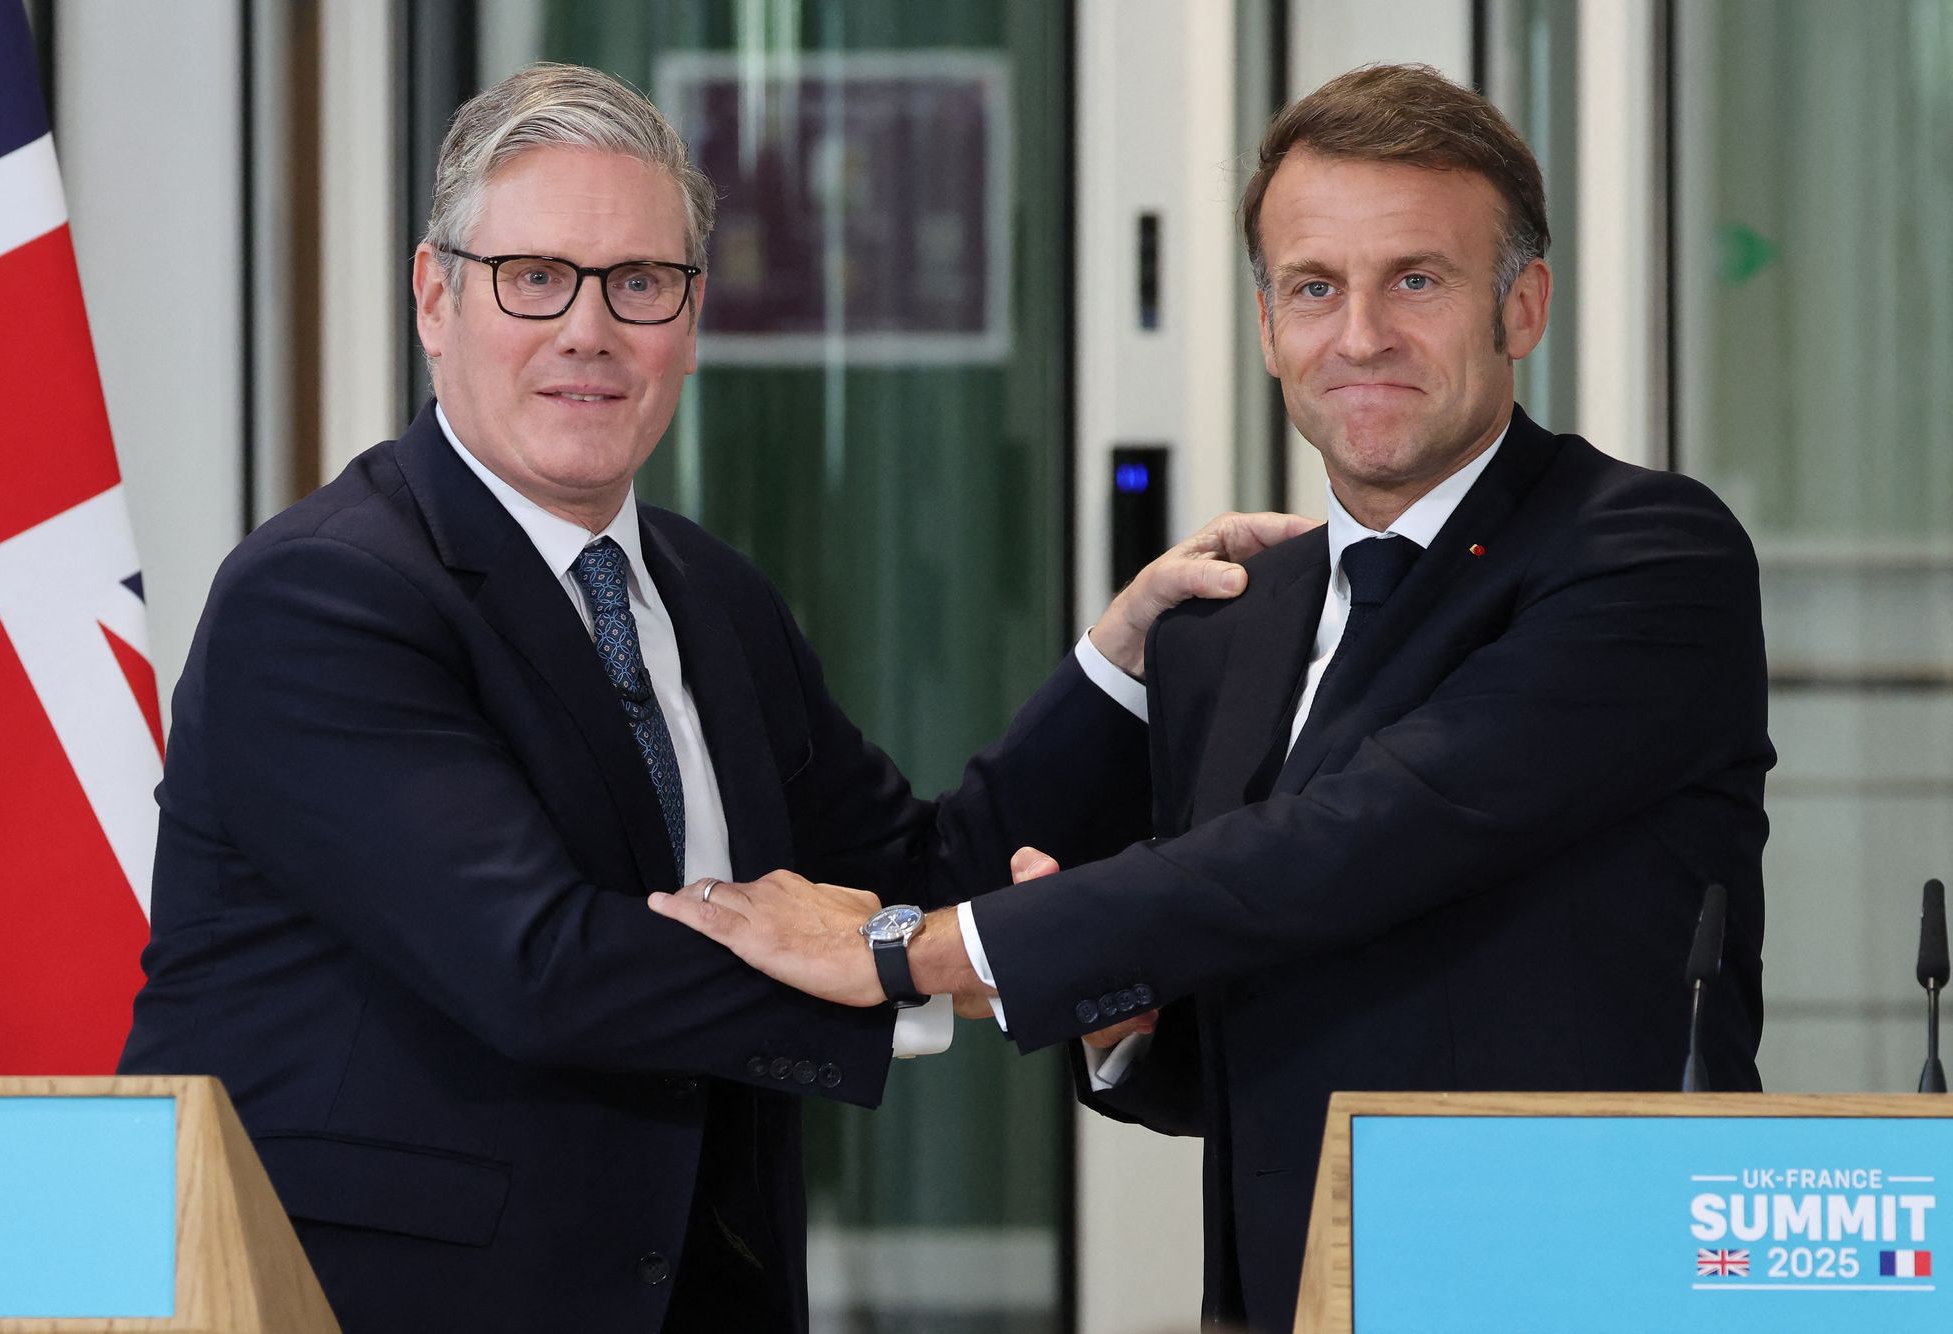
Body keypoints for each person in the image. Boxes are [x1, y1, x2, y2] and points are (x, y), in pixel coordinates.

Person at [117, 63, 1305, 1333]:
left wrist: (1121, 662)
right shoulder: (321, 598)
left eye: (639, 282)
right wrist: (916, 972)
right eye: (534, 277)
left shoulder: (704, 591)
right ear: (433, 296)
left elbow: (922, 860)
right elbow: (540, 966)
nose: (589, 329)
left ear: (688, 320)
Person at [649, 64, 1774, 1332]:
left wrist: (905, 952)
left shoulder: (1644, 555)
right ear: (1263, 324)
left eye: (1415, 279)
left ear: (1521, 304)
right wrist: (1124, 1026)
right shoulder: (1227, 627)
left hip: (1580, 1282)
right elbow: (1236, 1035)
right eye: (1312, 287)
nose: (1358, 336)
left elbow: (1348, 844)